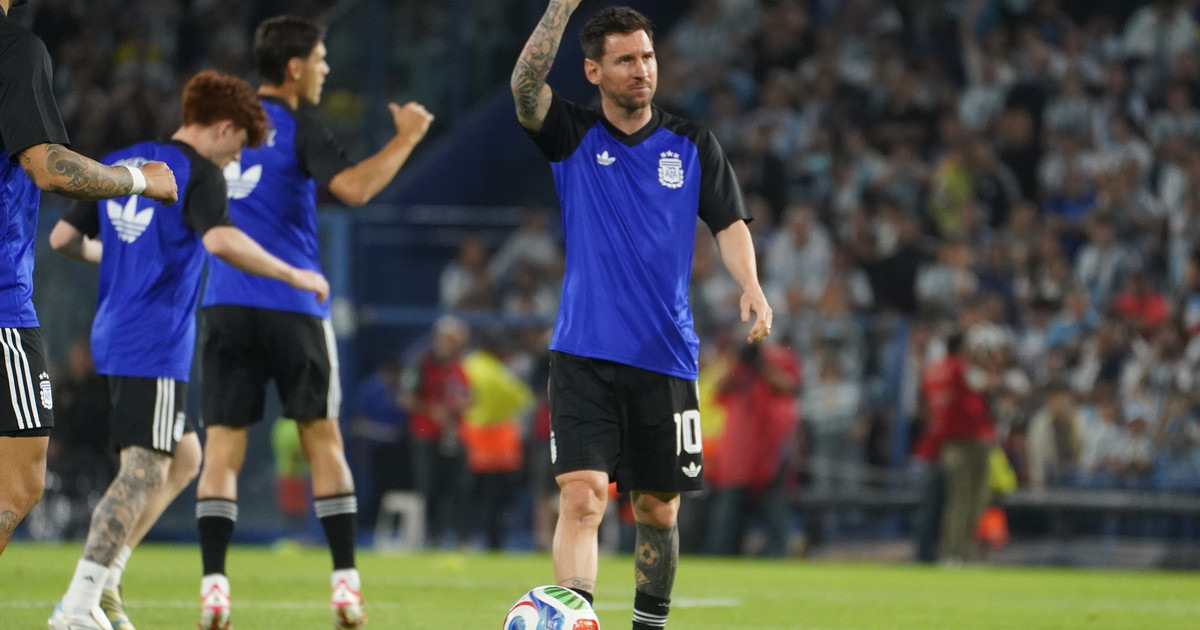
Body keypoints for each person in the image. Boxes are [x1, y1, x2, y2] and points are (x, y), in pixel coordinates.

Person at [511, 3, 772, 628]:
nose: (641, 69)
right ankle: (576, 619)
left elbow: (729, 223)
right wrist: (559, 8)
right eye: (625, 59)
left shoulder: (692, 143)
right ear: (594, 71)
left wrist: (752, 286)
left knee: (658, 509)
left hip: (665, 354)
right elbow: (524, 88)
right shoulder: (571, 133)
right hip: (583, 352)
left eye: (648, 56)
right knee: (583, 498)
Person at [45, 70, 328, 630]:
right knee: (143, 469)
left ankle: (107, 580)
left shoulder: (124, 159)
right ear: (223, 128)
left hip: (114, 329)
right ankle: (77, 603)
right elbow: (220, 240)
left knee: (186, 456)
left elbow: (62, 238)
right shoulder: (200, 173)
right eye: (239, 145)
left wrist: (122, 258)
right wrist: (293, 274)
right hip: (153, 338)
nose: (236, 159)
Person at [193, 15, 433, 630]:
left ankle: (214, 590)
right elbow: (353, 189)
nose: (326, 69)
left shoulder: (220, 126)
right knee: (323, 440)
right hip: (294, 304)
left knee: (222, 448)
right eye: (321, 60)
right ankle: (346, 589)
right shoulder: (298, 125)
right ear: (296, 67)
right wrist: (407, 138)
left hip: (225, 302)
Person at [0, 0, 178, 562]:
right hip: (1, 306)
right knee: (19, 480)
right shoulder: (15, 49)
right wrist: (136, 179)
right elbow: (48, 166)